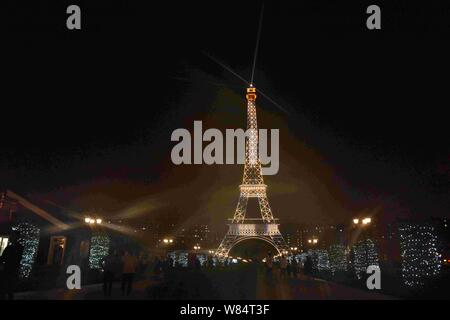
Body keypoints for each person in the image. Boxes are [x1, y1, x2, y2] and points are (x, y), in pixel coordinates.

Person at [0, 230, 24, 300]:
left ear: (17, 237)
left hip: (12, 270)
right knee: (3, 287)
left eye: (13, 236)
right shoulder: (9, 247)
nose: (11, 237)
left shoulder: (19, 247)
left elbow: (16, 258)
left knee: (10, 287)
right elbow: (3, 257)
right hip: (6, 269)